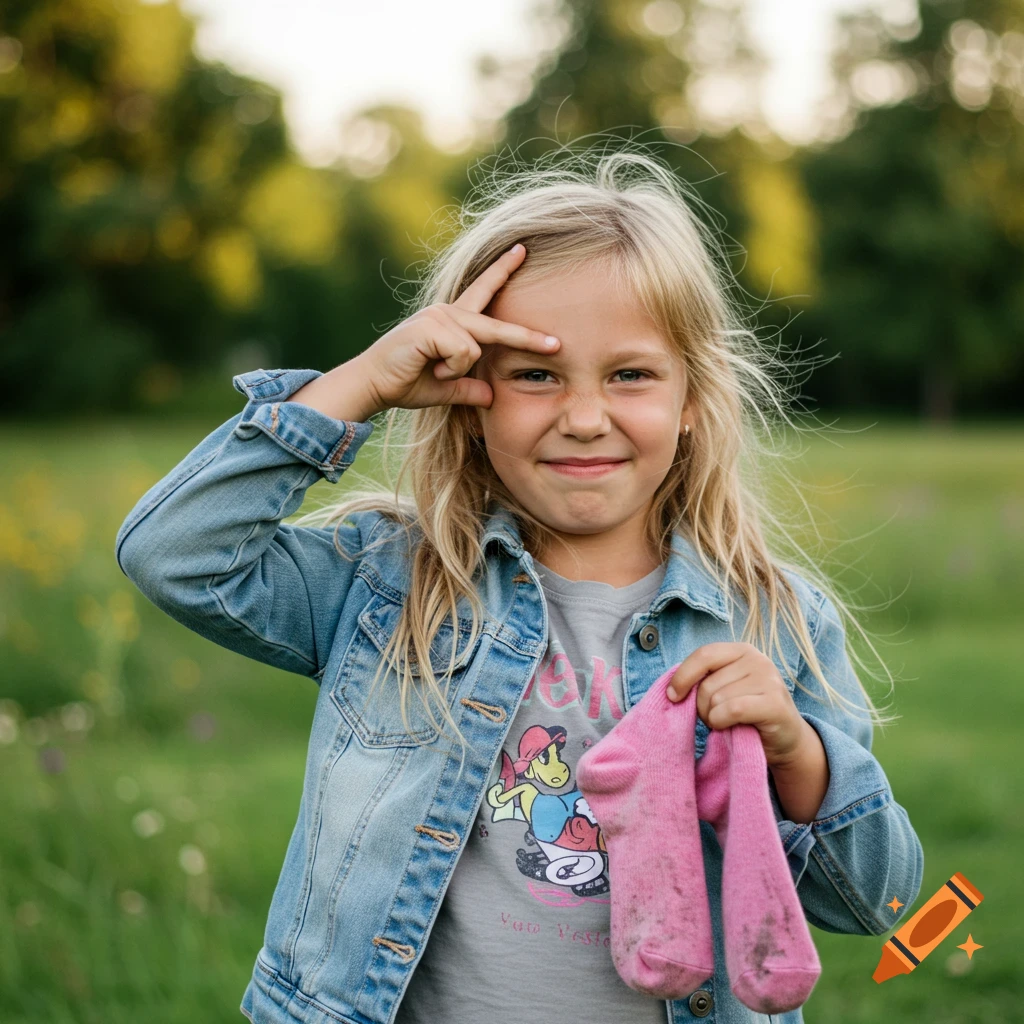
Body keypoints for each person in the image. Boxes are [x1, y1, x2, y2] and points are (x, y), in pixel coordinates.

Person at [115, 147, 923, 1024]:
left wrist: (797, 754)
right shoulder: (392, 583)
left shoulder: (773, 620)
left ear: (693, 396)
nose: (583, 417)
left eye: (631, 374)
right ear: (467, 395)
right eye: (536, 374)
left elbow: (875, 901)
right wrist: (362, 384)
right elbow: (175, 554)